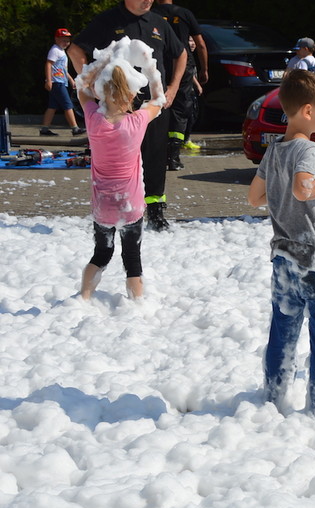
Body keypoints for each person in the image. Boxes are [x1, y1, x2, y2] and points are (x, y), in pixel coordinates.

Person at [246, 70, 315, 414]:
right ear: (306, 111)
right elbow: (303, 188)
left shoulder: (274, 150)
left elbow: (255, 197)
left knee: (282, 332)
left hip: (284, 256)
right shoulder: (310, 148)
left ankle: (273, 398)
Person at [68, 0, 187, 233]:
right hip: (118, 108)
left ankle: (155, 211)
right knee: (118, 163)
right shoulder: (107, 20)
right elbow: (74, 49)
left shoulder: (158, 23)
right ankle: (115, 209)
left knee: (155, 157)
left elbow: (181, 54)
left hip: (152, 105)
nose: (149, 0)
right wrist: (90, 83)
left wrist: (172, 88)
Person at [76, 55, 163, 300]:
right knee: (132, 259)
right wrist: (150, 66)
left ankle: (84, 298)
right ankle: (136, 305)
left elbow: (81, 86)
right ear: (132, 94)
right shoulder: (137, 121)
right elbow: (159, 99)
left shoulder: (93, 118)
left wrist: (99, 66)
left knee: (101, 254)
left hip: (103, 205)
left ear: (101, 92)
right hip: (130, 204)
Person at [152, 0, 208, 172]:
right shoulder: (184, 14)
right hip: (182, 64)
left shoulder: (149, 13)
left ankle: (155, 155)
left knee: (156, 106)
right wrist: (204, 69)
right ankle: (173, 158)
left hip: (157, 63)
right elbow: (201, 45)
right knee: (180, 109)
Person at [40, 28, 84, 137]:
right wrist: (49, 80)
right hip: (56, 82)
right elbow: (48, 64)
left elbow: (63, 69)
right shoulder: (55, 50)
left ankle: (44, 129)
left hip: (61, 81)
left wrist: (70, 80)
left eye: (67, 41)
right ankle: (75, 128)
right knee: (68, 105)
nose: (66, 43)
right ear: (56, 39)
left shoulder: (61, 52)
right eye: (63, 40)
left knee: (52, 106)